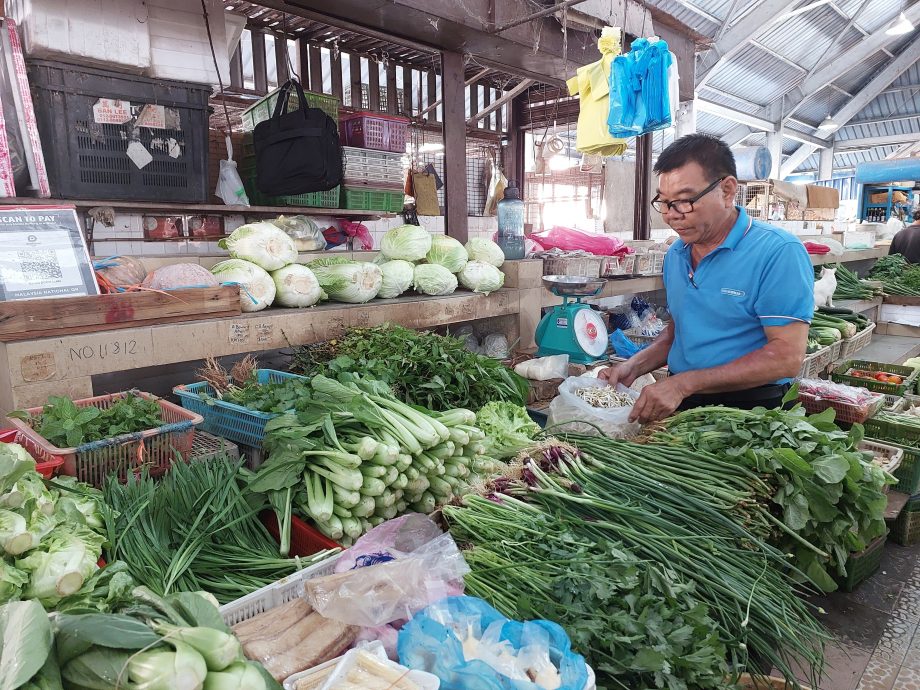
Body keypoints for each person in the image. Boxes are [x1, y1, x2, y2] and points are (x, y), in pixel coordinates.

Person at [599, 134, 814, 423]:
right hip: (682, 402)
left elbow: (786, 356)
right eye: (664, 203)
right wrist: (634, 367)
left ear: (727, 191)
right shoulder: (676, 255)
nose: (672, 216)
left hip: (751, 412)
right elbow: (677, 335)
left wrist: (683, 384)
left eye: (685, 201)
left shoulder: (777, 252)